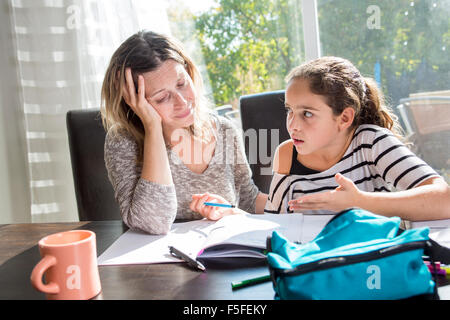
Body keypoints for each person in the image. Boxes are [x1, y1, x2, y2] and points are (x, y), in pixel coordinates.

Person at [101, 31, 267, 234]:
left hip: (219, 255)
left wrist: (299, 205)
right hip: (155, 264)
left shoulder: (224, 130)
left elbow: (247, 200)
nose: (183, 102)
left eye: (181, 83)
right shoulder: (123, 141)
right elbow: (153, 223)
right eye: (162, 98)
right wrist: (152, 128)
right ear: (133, 104)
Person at [265, 56, 450, 221]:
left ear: (344, 118)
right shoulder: (287, 155)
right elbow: (274, 226)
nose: (293, 125)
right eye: (290, 110)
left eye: (307, 113)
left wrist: (360, 201)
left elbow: (444, 200)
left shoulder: (371, 143)